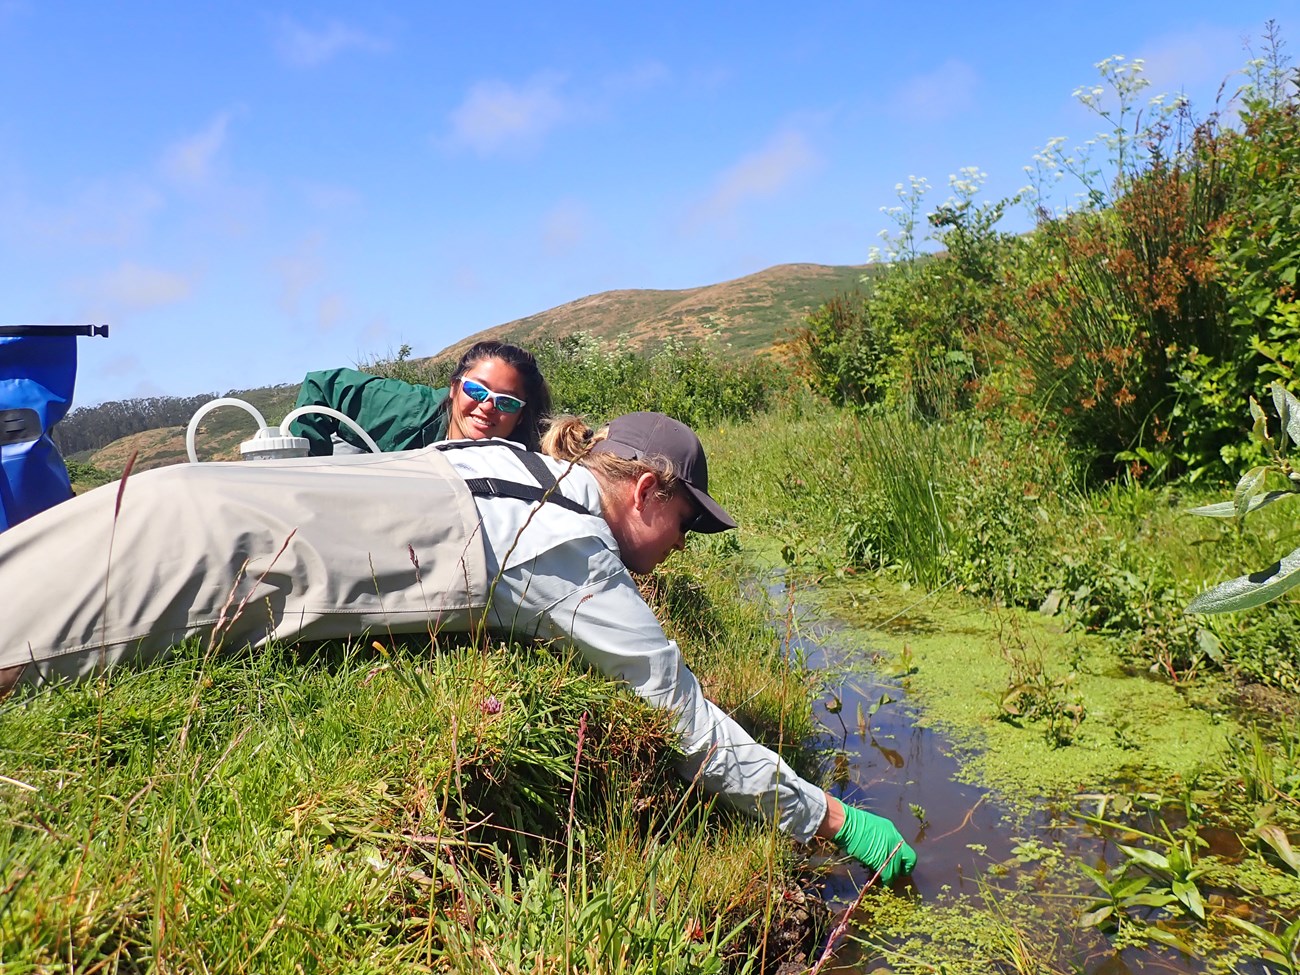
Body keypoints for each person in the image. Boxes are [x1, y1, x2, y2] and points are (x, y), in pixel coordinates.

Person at [0, 411, 916, 883]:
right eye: (686, 524)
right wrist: (835, 820)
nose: (683, 548)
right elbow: (689, 723)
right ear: (646, 492)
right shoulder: (575, 552)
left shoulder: (514, 462)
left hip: (179, 496)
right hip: (202, 563)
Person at [290, 340, 552, 454]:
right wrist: (309, 471)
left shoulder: (527, 457)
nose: (486, 407)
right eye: (476, 390)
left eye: (506, 401)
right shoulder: (407, 410)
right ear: (454, 388)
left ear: (520, 417)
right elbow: (323, 386)